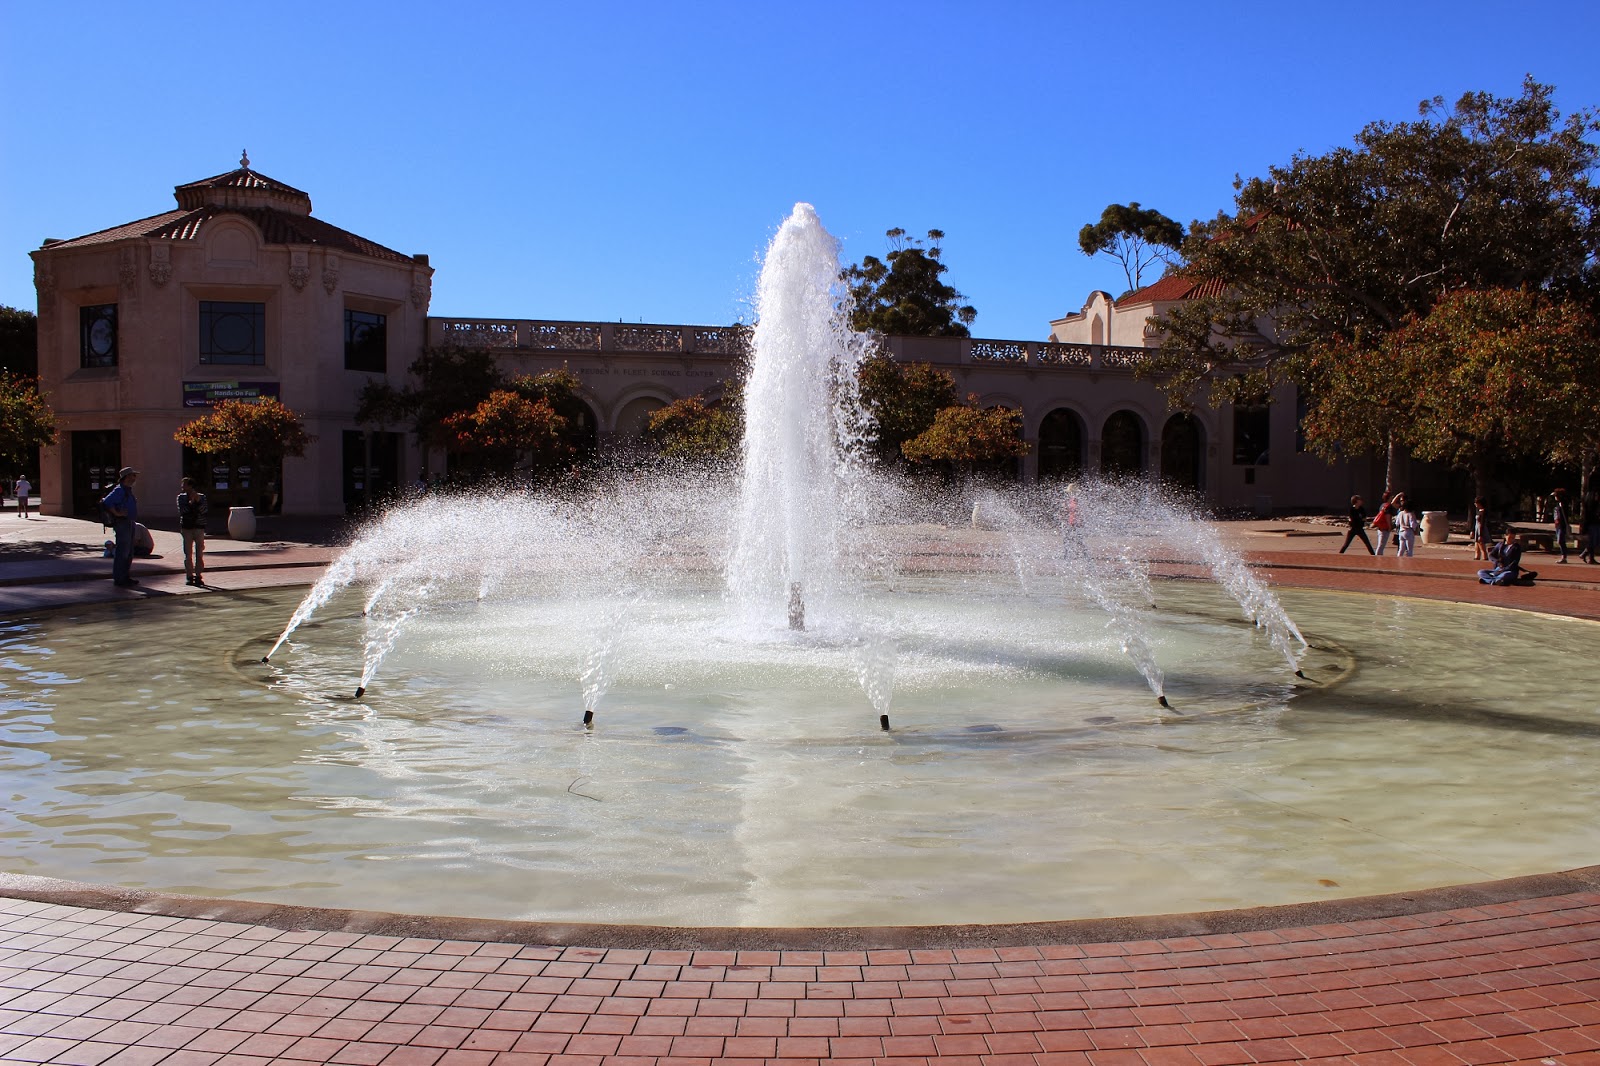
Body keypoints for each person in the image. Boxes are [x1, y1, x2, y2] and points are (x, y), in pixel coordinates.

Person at [100, 467, 140, 587]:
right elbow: (107, 502)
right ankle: (119, 578)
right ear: (127, 477)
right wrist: (117, 513)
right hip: (122, 523)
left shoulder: (127, 490)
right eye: (133, 475)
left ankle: (125, 576)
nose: (134, 478)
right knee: (123, 551)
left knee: (129, 552)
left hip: (129, 522)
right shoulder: (119, 490)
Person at [177, 475, 208, 586]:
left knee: (199, 552)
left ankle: (198, 575)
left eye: (184, 484)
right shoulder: (181, 497)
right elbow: (183, 511)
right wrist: (191, 503)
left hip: (199, 527)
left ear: (190, 486)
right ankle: (189, 576)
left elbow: (204, 510)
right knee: (188, 553)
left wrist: (197, 501)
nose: (182, 487)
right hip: (187, 528)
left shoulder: (202, 497)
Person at [1370, 491, 1395, 555]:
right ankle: (1378, 558)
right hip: (1385, 527)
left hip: (1380, 526)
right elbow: (1387, 517)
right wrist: (1389, 526)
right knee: (1381, 545)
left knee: (1380, 544)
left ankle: (1378, 556)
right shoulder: (1388, 506)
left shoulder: (1382, 505)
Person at [1550, 487, 1570, 563]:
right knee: (1560, 541)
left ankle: (1564, 557)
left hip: (1562, 525)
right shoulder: (1558, 504)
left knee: (1561, 541)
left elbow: (1563, 515)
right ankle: (1563, 556)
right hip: (1558, 525)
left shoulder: (1563, 504)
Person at [1580, 491, 1600, 565]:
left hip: (1597, 524)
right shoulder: (1589, 507)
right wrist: (1584, 527)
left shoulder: (1597, 505)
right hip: (1591, 525)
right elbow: (1586, 518)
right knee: (1592, 542)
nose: (1597, 497)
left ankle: (1584, 554)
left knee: (1596, 542)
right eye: (1595, 495)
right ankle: (1590, 558)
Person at [1469, 497, 1491, 561]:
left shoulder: (1483, 512)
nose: (1475, 504)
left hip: (1481, 529)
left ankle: (1485, 557)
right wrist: (1472, 530)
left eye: (1476, 503)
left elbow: (1482, 523)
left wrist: (1481, 535)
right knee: (1476, 543)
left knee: (1481, 543)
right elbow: (1475, 521)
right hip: (1477, 528)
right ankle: (1477, 556)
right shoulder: (1478, 511)